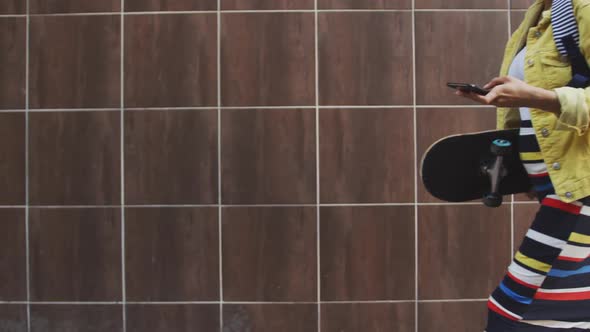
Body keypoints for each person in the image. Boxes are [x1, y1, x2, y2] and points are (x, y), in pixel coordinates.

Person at [455, 0, 590, 330]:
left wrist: (536, 97)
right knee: (558, 314)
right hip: (558, 190)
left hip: (579, 194)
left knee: (518, 314)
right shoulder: (541, 11)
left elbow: (543, 101)